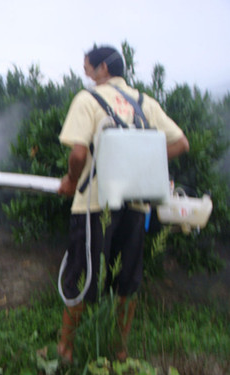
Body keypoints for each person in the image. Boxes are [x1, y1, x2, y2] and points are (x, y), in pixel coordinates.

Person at [56, 45, 190, 363]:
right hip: (136, 206)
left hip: (93, 205)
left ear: (103, 68)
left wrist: (72, 181)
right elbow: (180, 143)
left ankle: (66, 349)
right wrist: (143, 163)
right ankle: (119, 352)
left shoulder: (87, 99)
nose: (86, 74)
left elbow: (78, 154)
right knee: (126, 282)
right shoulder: (145, 103)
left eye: (88, 68)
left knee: (82, 277)